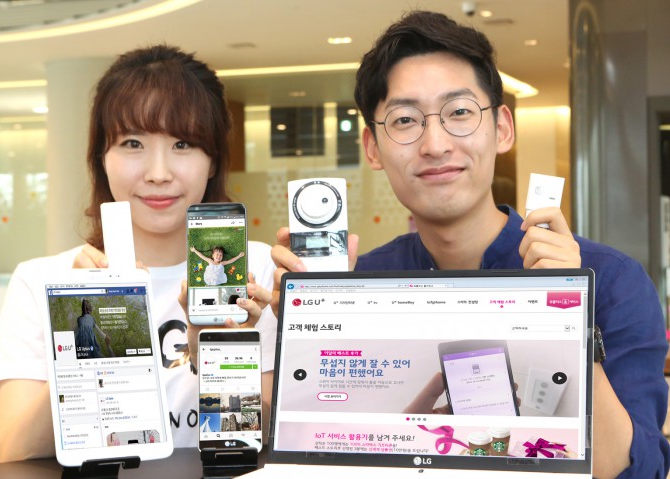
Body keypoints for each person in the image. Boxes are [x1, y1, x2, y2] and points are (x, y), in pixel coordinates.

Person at [271, 11, 669, 479]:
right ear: (373, 148)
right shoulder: (361, 283)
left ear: (502, 128)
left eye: (459, 112)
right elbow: (321, 452)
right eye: (405, 120)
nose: (435, 144)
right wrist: (311, 332)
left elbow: (636, 470)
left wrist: (569, 318)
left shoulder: (613, 280)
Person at [0, 45, 275, 462]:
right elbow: (15, 451)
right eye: (133, 142)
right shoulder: (41, 280)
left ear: (213, 161)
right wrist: (82, 325)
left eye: (182, 144)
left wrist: (213, 353)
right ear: (101, 160)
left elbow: (266, 442)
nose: (158, 173)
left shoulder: (257, 273)